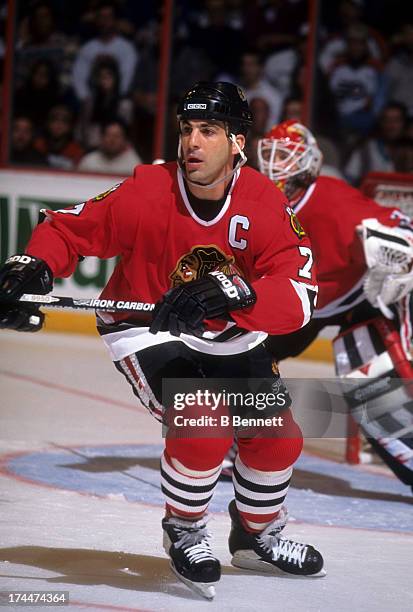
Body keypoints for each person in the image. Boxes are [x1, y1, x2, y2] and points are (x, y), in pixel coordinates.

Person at [0, 82, 324, 600]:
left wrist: (236, 292)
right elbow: (68, 230)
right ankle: (184, 529)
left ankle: (256, 536)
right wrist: (33, 265)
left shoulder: (264, 202)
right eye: (187, 130)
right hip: (147, 327)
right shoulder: (149, 189)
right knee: (204, 424)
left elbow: (300, 294)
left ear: (238, 141)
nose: (192, 142)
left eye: (209, 131)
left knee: (278, 437)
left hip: (230, 336)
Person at [225, 119, 413, 490]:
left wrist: (397, 248)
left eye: (287, 157)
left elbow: (403, 229)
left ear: (308, 163)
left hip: (361, 298)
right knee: (239, 356)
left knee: (369, 394)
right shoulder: (253, 201)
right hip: (301, 301)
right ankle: (239, 442)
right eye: (272, 157)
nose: (277, 167)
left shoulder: (332, 198)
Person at [77, 120, 142, 175]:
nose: (112, 140)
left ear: (125, 140)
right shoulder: (89, 161)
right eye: (108, 135)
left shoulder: (134, 164)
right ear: (101, 138)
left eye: (116, 136)